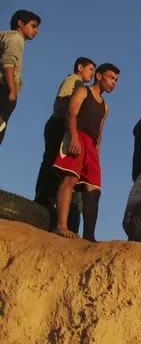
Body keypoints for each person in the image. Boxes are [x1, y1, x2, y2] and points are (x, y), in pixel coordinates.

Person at [52, 63, 119, 240]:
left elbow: (100, 130)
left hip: (91, 146)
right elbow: (71, 114)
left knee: (94, 190)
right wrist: (73, 137)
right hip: (77, 136)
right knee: (70, 179)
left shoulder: (105, 107)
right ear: (99, 76)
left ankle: (89, 236)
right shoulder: (83, 91)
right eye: (111, 78)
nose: (114, 83)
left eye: (116, 80)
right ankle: (61, 226)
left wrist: (97, 147)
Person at [34, 57, 95, 233]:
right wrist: (72, 120)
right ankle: (43, 198)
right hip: (58, 124)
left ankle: (49, 201)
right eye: (90, 69)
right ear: (80, 67)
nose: (91, 73)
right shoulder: (73, 81)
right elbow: (60, 103)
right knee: (52, 162)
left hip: (63, 126)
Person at [0, 9, 40, 146]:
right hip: (4, 88)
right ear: (21, 23)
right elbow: (8, 63)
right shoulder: (16, 38)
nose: (36, 31)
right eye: (33, 26)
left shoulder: (5, 36)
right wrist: (12, 91)